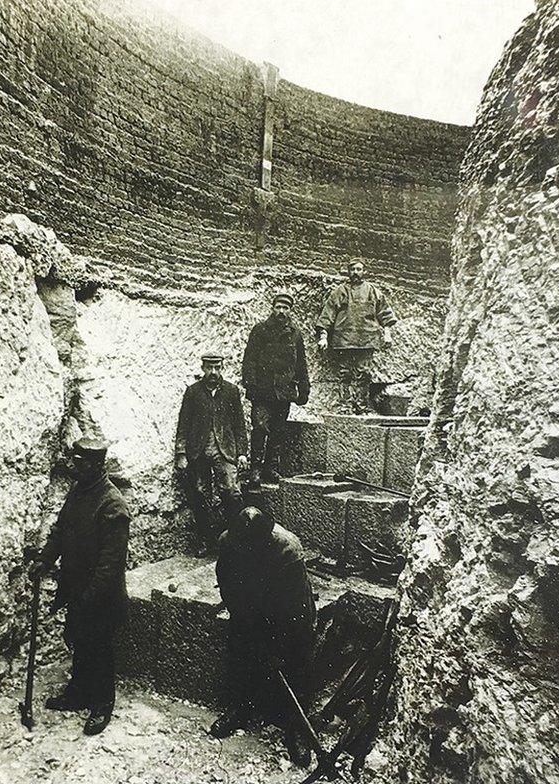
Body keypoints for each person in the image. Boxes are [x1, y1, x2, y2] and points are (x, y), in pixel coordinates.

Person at [32, 437, 131, 736]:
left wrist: (89, 597)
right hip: (77, 589)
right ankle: (78, 693)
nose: (74, 467)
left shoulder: (113, 505)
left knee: (99, 648)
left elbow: (110, 564)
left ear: (96, 465)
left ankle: (102, 704)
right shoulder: (80, 491)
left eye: (80, 463)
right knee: (80, 641)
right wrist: (45, 560)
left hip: (100, 596)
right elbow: (61, 531)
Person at [210, 506, 317, 765]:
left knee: (296, 658)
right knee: (239, 645)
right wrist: (244, 620)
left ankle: (296, 726)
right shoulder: (229, 541)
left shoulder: (287, 549)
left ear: (264, 539)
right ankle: (240, 707)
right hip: (250, 604)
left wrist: (278, 647)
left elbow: (295, 609)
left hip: (289, 611)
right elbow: (227, 583)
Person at [175, 351, 247, 556]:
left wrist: (242, 453)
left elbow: (239, 425)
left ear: (222, 368)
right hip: (198, 451)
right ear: (203, 368)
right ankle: (205, 540)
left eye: (217, 367)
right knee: (199, 494)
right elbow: (183, 424)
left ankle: (234, 540)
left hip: (224, 451)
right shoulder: (193, 392)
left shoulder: (231, 391)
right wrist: (181, 453)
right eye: (209, 367)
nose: (213, 372)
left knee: (232, 493)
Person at [241, 292, 310, 485]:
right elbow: (249, 360)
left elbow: (300, 364)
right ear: (272, 308)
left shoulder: (295, 334)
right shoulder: (260, 330)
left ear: (290, 311)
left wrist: (304, 389)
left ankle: (270, 468)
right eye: (278, 307)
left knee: (278, 431)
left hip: (283, 393)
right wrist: (251, 385)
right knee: (260, 427)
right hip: (262, 392)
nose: (281, 311)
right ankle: (255, 468)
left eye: (285, 308)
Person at [315, 258, 397, 413]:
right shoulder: (340, 291)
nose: (356, 273)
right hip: (344, 340)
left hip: (367, 339)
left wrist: (387, 333)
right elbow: (328, 314)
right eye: (352, 269)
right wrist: (323, 336)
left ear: (363, 271)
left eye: (359, 269)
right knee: (344, 373)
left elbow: (384, 313)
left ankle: (361, 406)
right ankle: (344, 406)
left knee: (364, 374)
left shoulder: (373, 291)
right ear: (348, 271)